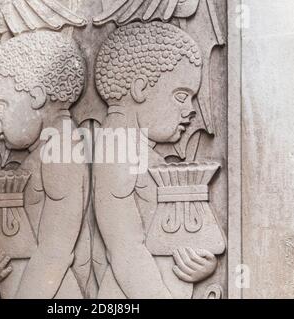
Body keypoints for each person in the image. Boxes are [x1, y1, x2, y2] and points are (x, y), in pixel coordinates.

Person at [93, 21, 220, 299]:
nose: (190, 110)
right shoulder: (117, 147)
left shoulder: (142, 152)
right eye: (181, 95)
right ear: (140, 89)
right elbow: (126, 249)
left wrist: (202, 263)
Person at [0, 30, 90, 299]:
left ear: (35, 97)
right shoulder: (43, 152)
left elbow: (55, 252)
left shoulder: (61, 150)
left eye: (1, 105)